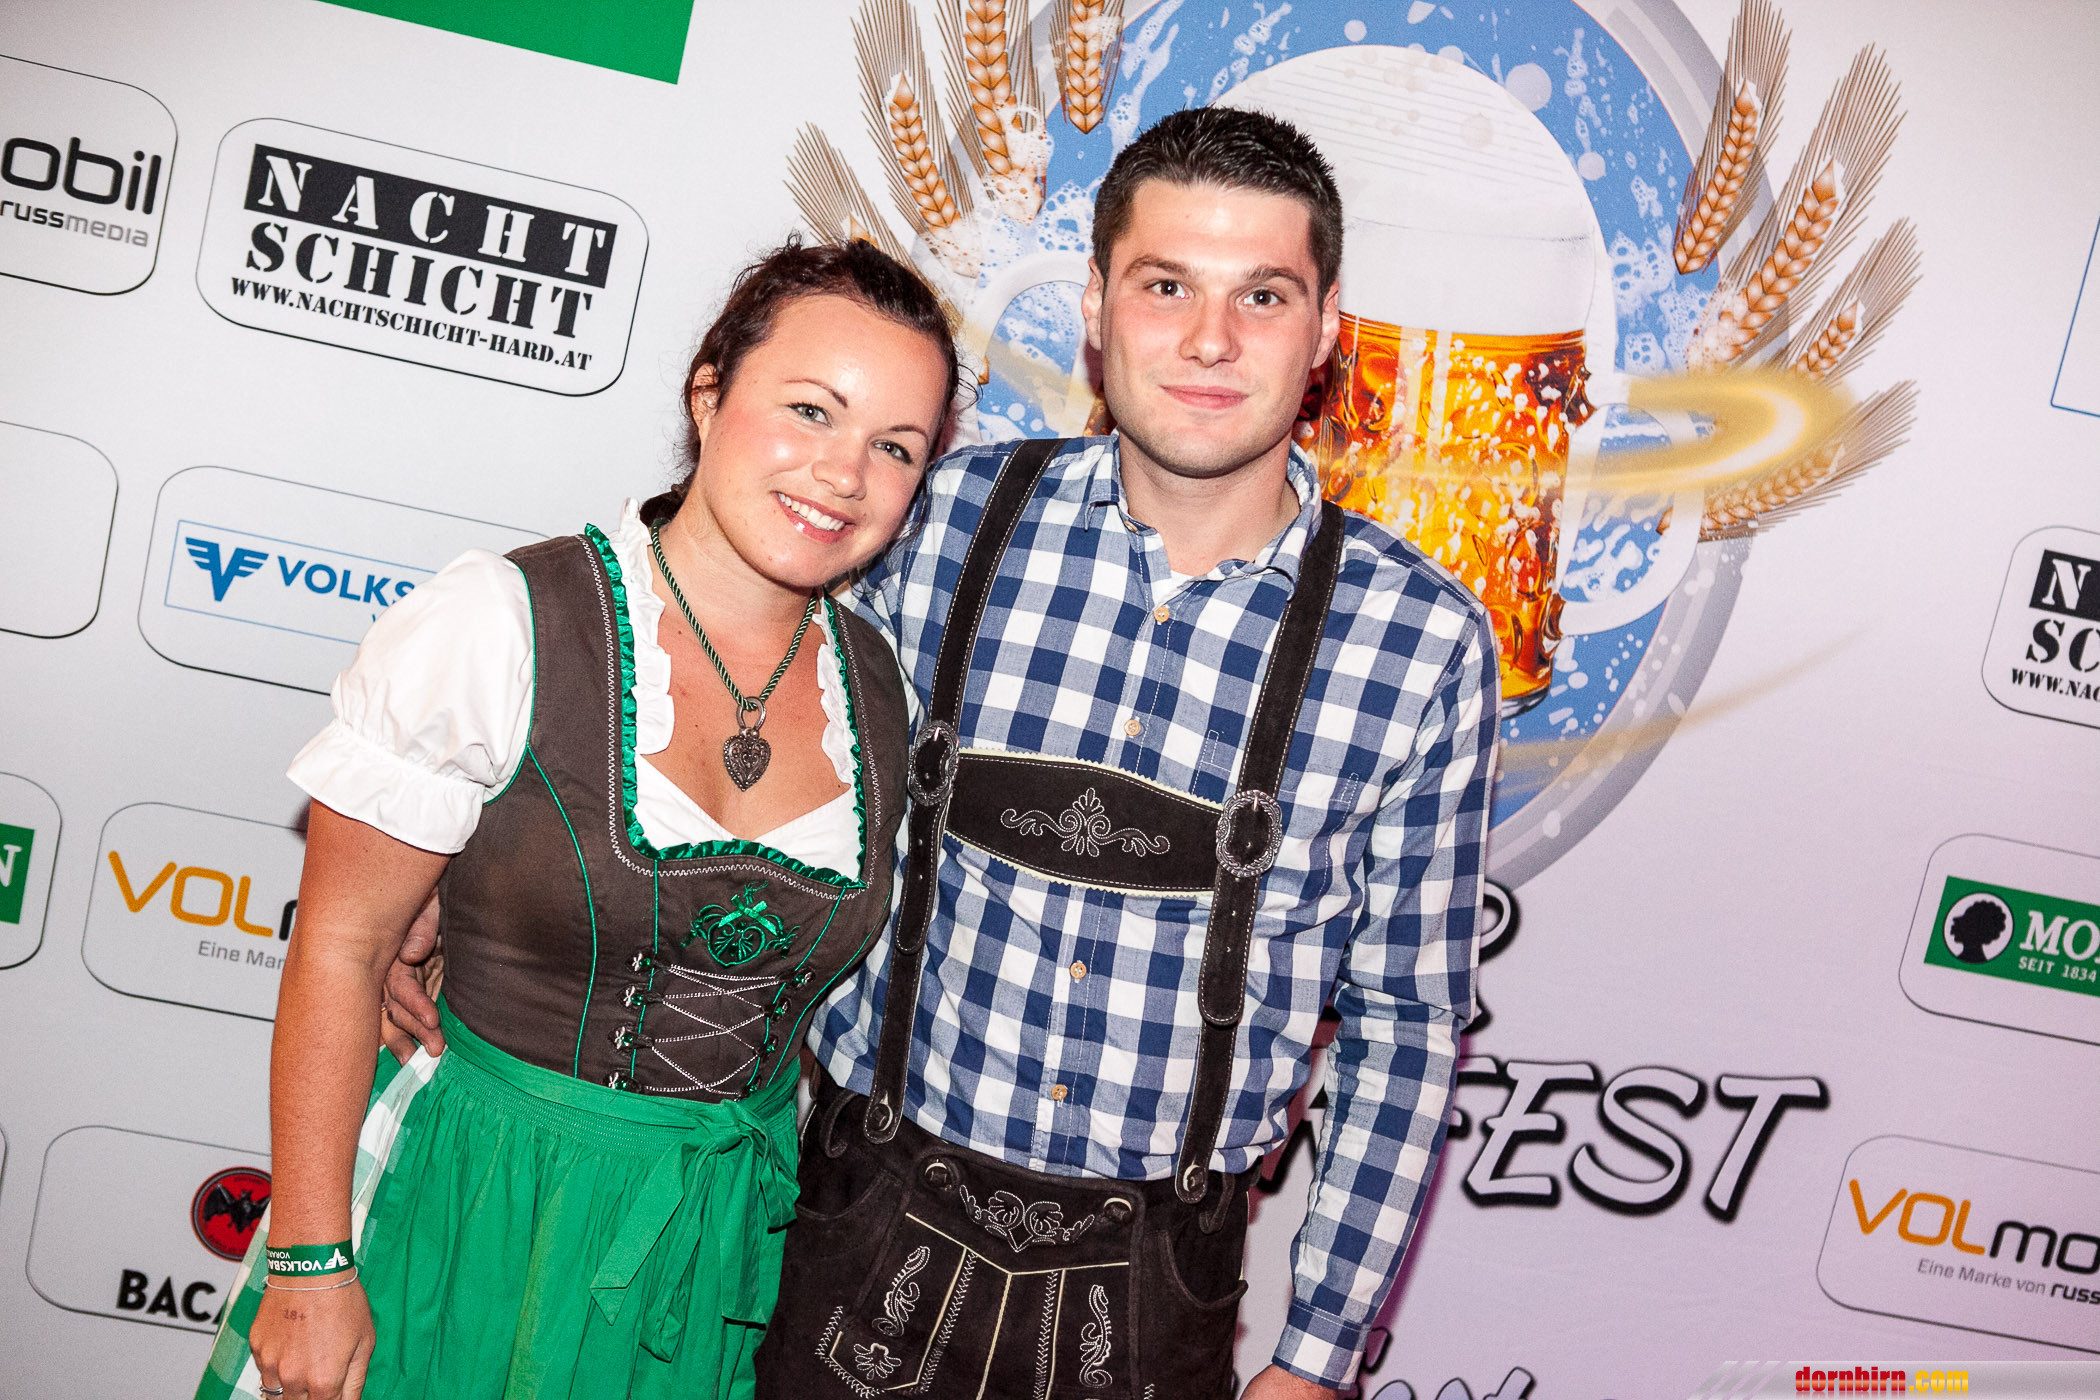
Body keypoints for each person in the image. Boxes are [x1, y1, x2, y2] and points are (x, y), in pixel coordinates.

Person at [391, 107, 1500, 1398]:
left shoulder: (1424, 640)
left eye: (1263, 295)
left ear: (1326, 329)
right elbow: (708, 644)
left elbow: (1405, 1022)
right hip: (858, 1217)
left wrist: (1317, 1356)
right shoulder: (939, 516)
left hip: (1158, 1284)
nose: (1211, 339)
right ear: (1096, 310)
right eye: (1165, 286)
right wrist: (457, 850)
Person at [194, 237, 960, 1400]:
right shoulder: (502, 621)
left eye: (894, 445)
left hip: (719, 1243)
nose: (844, 472)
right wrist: (308, 1262)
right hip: (470, 1198)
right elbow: (342, 947)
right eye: (811, 409)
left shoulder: (882, 688)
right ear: (709, 392)